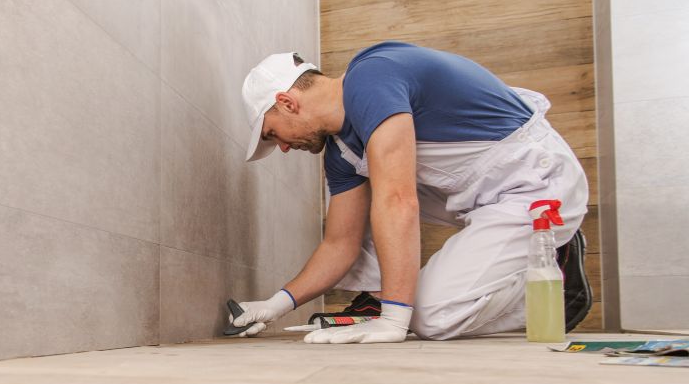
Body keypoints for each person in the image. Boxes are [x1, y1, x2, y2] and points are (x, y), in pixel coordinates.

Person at [230, 41, 591, 343]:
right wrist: (276, 304)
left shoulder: (372, 78)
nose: (283, 148)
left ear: (288, 102)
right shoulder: (342, 152)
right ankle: (386, 301)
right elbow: (340, 244)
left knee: (432, 317)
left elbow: (399, 200)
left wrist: (396, 320)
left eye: (272, 134)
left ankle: (555, 276)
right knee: (372, 195)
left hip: (536, 183)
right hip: (482, 194)